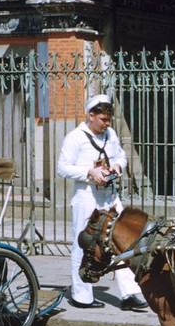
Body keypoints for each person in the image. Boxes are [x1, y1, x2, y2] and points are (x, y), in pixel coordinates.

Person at [57, 94, 148, 311]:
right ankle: (82, 295)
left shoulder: (111, 134)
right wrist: (88, 171)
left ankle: (130, 293)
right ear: (91, 116)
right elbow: (62, 167)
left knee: (123, 239)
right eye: (103, 119)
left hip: (109, 194)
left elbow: (121, 157)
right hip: (87, 196)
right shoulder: (75, 137)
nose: (106, 123)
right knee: (86, 243)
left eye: (108, 119)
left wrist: (117, 166)